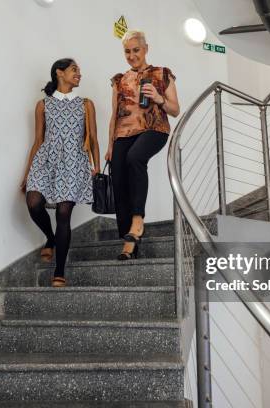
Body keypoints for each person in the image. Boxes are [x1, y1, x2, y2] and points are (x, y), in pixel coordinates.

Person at [21, 58, 100, 287]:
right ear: (59, 73)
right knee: (33, 203)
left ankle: (59, 271)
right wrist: (27, 173)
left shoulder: (86, 104)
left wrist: (95, 166)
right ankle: (51, 238)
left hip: (74, 161)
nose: (79, 74)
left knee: (64, 214)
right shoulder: (42, 105)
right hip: (45, 159)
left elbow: (93, 137)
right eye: (75, 70)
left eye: (79, 71)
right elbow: (38, 141)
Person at [105, 30, 180, 260]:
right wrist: (110, 146)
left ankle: (138, 220)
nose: (131, 55)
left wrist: (158, 98)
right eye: (127, 51)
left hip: (153, 129)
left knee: (135, 158)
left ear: (146, 48)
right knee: (118, 177)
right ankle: (130, 242)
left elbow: (175, 110)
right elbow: (114, 115)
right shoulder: (119, 80)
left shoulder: (162, 73)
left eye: (136, 50)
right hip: (123, 133)